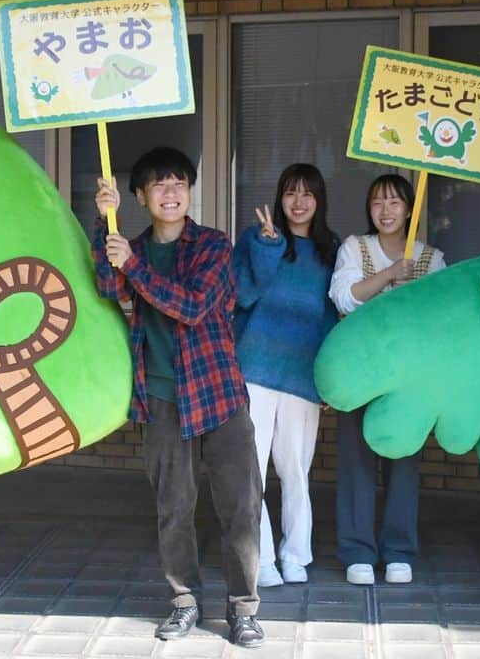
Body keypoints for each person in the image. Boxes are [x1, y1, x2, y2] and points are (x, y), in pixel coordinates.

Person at [90, 147, 265, 648]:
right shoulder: (132, 245)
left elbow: (192, 306)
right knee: (174, 506)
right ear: (141, 196)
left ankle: (243, 609)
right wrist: (105, 224)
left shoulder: (212, 244)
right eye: (159, 186)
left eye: (179, 184)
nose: (171, 193)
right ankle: (184, 601)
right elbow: (107, 285)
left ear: (189, 192)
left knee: (240, 506)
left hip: (218, 394)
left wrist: (136, 269)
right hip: (162, 398)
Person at [328, 173, 446, 586]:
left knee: (403, 464)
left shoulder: (431, 258)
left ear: (410, 209)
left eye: (395, 202)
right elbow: (344, 297)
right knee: (356, 463)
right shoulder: (354, 248)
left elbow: (437, 318)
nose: (386, 210)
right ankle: (358, 550)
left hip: (408, 380)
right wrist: (389, 274)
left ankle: (398, 551)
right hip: (360, 371)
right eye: (377, 202)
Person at [232, 163, 339, 588]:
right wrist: (267, 248)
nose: (298, 202)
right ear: (279, 196)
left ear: (319, 200)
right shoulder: (257, 239)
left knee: (295, 468)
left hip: (302, 373)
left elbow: (332, 315)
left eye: (307, 193)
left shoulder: (331, 250)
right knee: (251, 469)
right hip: (255, 367)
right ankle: (261, 558)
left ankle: (296, 554)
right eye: (291, 192)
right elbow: (241, 295)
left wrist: (330, 377)